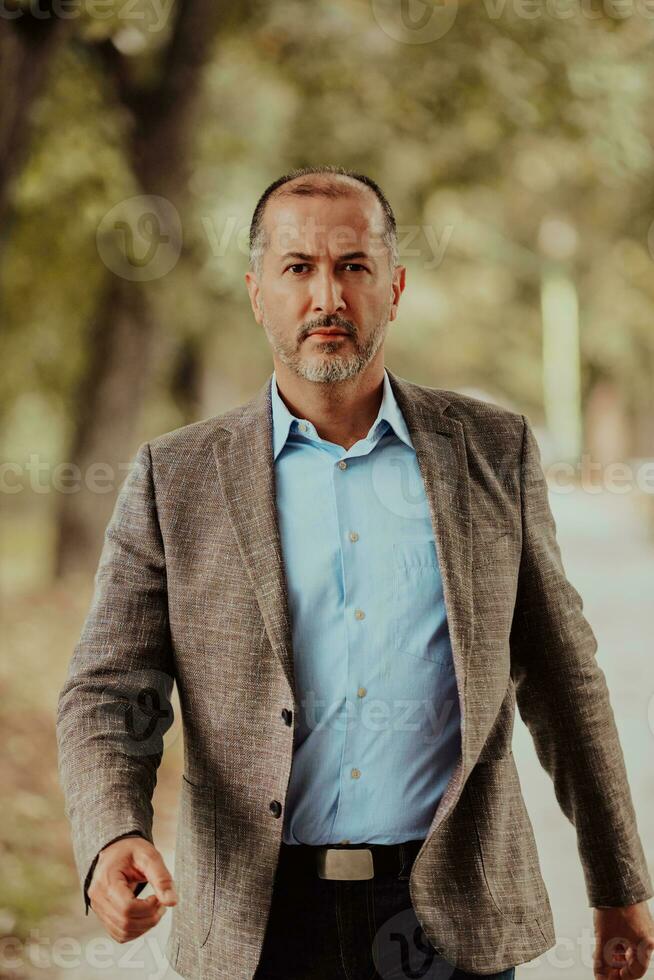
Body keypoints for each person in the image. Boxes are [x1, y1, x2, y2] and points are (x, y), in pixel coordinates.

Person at [57, 166, 654, 980]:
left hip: (452, 919)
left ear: (395, 287)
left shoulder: (492, 450)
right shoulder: (177, 476)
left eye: (354, 267)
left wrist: (618, 881)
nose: (327, 298)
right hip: (259, 926)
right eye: (298, 268)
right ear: (257, 291)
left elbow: (562, 675)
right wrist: (112, 833)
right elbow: (108, 687)